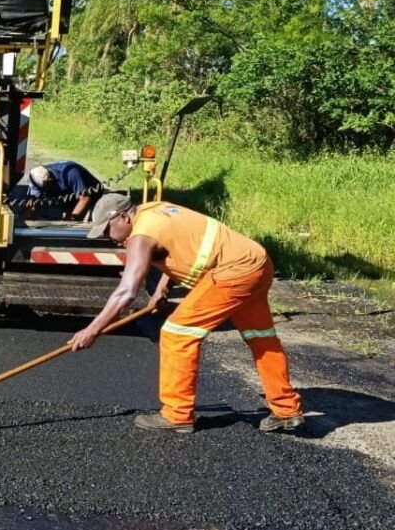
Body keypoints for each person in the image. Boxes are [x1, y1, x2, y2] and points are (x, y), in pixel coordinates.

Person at [69, 194, 304, 434]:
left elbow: (126, 292)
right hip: (257, 262)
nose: (109, 238)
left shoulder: (141, 236)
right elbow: (186, 243)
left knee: (176, 333)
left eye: (108, 230)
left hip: (232, 272)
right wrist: (162, 287)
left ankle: (177, 414)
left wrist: (92, 330)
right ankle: (286, 410)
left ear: (123, 217)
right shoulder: (155, 210)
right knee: (260, 337)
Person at [25, 161, 101, 220]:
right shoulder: (38, 175)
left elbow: (85, 199)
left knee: (72, 220)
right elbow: (33, 200)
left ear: (50, 180)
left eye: (45, 188)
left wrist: (70, 221)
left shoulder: (72, 174)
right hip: (66, 194)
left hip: (89, 197)